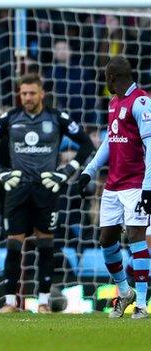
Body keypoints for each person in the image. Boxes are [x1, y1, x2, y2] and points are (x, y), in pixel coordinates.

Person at [0, 73, 94, 313]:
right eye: (23, 93)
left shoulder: (57, 118)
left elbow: (86, 144)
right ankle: (10, 303)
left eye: (32, 93)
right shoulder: (11, 117)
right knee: (13, 244)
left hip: (46, 188)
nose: (27, 97)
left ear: (42, 93)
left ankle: (43, 302)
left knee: (45, 244)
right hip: (17, 188)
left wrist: (65, 173)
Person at [77, 56, 151, 319]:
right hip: (113, 184)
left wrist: (148, 187)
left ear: (111, 78)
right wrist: (88, 172)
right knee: (106, 239)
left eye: (105, 79)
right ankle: (124, 290)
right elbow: (110, 141)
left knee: (136, 238)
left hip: (135, 184)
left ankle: (141, 303)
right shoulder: (113, 103)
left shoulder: (141, 102)